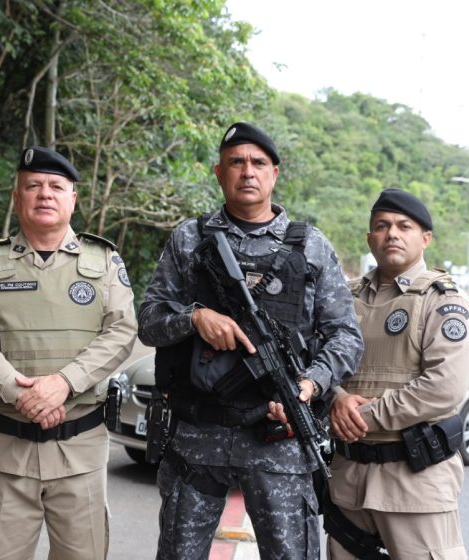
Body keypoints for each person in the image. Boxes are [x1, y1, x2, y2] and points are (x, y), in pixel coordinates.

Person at [138, 122, 363, 560]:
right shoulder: (190, 238)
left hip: (277, 440)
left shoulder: (310, 247)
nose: (248, 172)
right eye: (236, 162)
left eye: (258, 163)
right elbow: (149, 320)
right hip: (196, 439)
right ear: (218, 172)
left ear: (274, 174)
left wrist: (309, 385)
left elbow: (345, 336)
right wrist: (194, 318)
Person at [0, 146, 137, 560]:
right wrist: (22, 394)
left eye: (56, 186)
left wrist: (62, 384)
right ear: (16, 198)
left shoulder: (103, 260)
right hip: (3, 449)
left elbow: (121, 331)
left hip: (80, 450)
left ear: (74, 198)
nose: (45, 194)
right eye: (32, 186)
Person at [326, 188, 469, 560]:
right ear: (369, 238)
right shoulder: (344, 300)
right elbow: (318, 363)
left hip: (415, 484)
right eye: (382, 226)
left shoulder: (444, 301)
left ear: (425, 238)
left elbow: (443, 388)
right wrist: (336, 398)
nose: (392, 233)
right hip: (349, 481)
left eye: (403, 226)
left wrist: (360, 416)